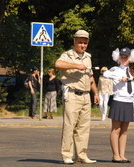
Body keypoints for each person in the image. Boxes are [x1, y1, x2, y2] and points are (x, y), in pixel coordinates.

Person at [55, 30, 99, 164]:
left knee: (84, 128)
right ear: (74, 42)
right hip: (72, 94)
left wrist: (95, 93)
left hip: (86, 96)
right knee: (70, 126)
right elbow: (58, 64)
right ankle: (67, 155)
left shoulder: (88, 57)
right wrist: (76, 65)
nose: (83, 45)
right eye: (80, 42)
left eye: (85, 43)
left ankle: (82, 155)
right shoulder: (68, 55)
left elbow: (90, 77)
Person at [103, 47, 134, 163]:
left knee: (124, 131)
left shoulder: (132, 71)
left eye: (126, 57)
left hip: (129, 102)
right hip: (118, 101)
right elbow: (105, 73)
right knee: (116, 129)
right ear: (118, 58)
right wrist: (120, 78)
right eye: (122, 57)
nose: (124, 59)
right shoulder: (115, 69)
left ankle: (122, 154)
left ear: (131, 58)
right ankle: (115, 155)